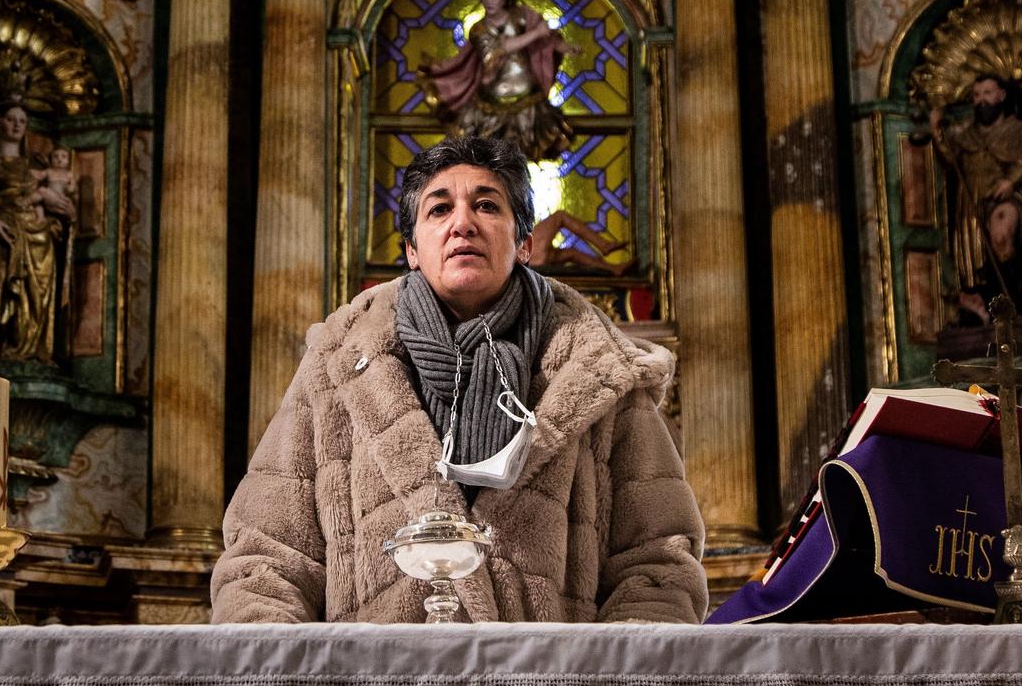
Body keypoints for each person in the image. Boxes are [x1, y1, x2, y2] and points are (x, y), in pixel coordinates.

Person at [213, 134, 708, 623]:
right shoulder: (338, 363)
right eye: (439, 210)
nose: (462, 224)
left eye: (487, 206)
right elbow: (267, 558)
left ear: (524, 245)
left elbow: (656, 564)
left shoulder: (598, 370)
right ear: (411, 250)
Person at [420, 0, 572, 163]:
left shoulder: (522, 16)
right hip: (489, 102)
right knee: (481, 158)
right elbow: (497, 50)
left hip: (527, 98)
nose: (490, 1)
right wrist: (536, 34)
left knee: (521, 159)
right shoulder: (479, 29)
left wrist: (560, 46)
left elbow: (546, 37)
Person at [926, 74, 1022, 324]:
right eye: (977, 95)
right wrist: (936, 129)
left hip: (1005, 199)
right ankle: (991, 307)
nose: (982, 101)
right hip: (972, 205)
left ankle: (1017, 298)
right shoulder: (968, 136)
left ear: (1001, 96)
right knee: (978, 261)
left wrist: (1010, 182)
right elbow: (949, 160)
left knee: (1001, 234)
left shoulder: (1016, 130)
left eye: (987, 93)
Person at [0, 101, 74, 364]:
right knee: (0, 283)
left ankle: (31, 346)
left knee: (39, 290)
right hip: (4, 231)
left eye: (22, 121)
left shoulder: (35, 164)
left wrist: (61, 216)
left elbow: (59, 199)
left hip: (39, 235)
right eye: (11, 119)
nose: (17, 125)